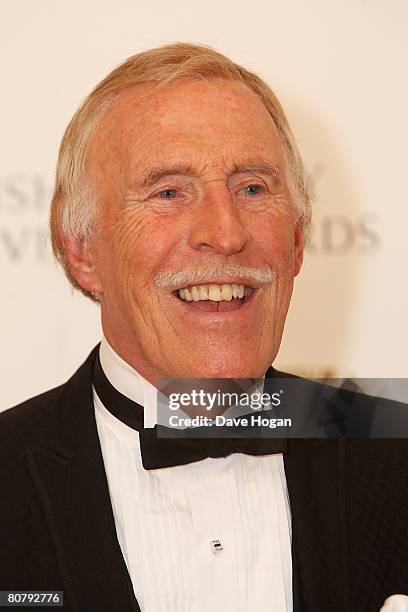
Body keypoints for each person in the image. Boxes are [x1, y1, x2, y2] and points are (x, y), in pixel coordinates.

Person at [1, 43, 407, 612]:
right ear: (83, 250)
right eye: (169, 192)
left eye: (252, 188)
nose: (225, 232)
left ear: (296, 240)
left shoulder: (395, 446)